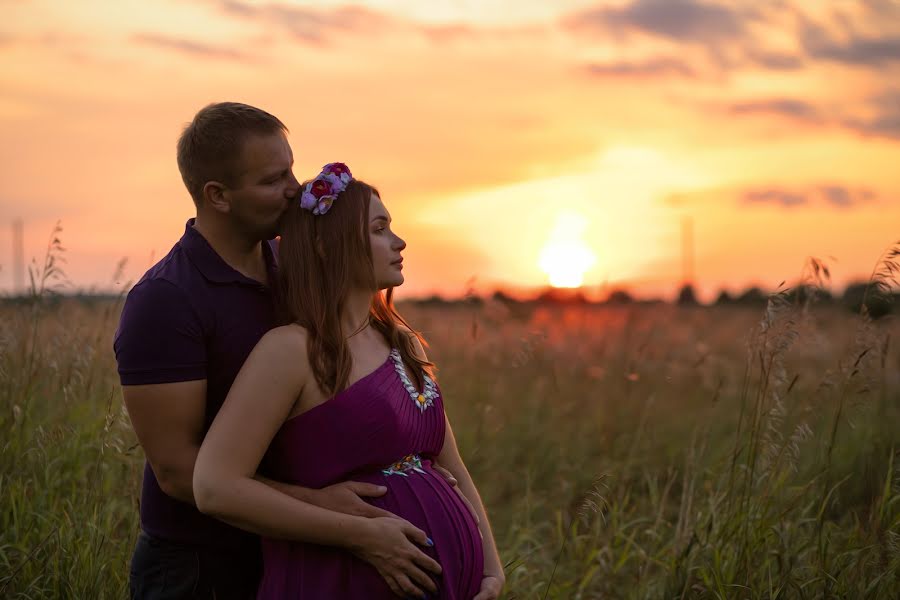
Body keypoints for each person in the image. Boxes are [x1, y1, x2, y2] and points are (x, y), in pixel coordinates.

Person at [115, 103, 450, 599]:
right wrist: (322, 508)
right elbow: (178, 470)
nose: (295, 189)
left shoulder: (292, 269)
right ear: (218, 196)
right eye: (274, 180)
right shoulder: (166, 300)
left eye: (292, 169)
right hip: (203, 565)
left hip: (299, 552)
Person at [193, 163, 505, 598]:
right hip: (338, 580)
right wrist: (359, 535)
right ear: (325, 246)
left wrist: (491, 568)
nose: (399, 242)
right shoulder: (290, 351)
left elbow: (451, 465)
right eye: (379, 229)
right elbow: (215, 487)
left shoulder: (404, 344)